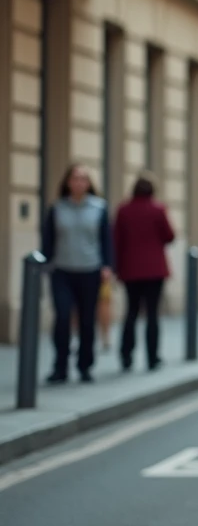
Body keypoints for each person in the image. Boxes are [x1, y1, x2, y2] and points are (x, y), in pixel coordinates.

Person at [41, 163, 113, 384]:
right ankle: (60, 366)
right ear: (68, 182)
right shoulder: (57, 208)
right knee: (62, 317)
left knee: (87, 320)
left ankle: (85, 366)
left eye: (83, 179)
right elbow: (48, 240)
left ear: (89, 183)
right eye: (75, 178)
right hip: (62, 271)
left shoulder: (99, 208)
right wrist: (44, 264)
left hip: (90, 270)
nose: (79, 183)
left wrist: (107, 266)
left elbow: (106, 241)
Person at [113, 173, 176, 372]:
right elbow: (170, 236)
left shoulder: (123, 210)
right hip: (154, 271)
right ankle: (152, 358)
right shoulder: (158, 209)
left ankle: (126, 355)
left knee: (131, 312)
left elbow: (117, 240)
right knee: (152, 314)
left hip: (130, 270)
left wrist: (116, 268)